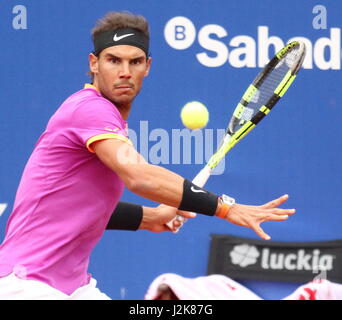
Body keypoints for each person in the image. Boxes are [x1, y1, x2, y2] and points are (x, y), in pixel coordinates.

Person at [0, 11, 295, 300]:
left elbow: (78, 207)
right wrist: (225, 208)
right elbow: (138, 176)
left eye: (135, 61)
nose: (124, 71)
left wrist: (151, 217)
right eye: (113, 60)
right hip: (27, 284)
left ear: (147, 66)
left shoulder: (107, 121)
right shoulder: (89, 109)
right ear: (94, 64)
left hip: (73, 287)